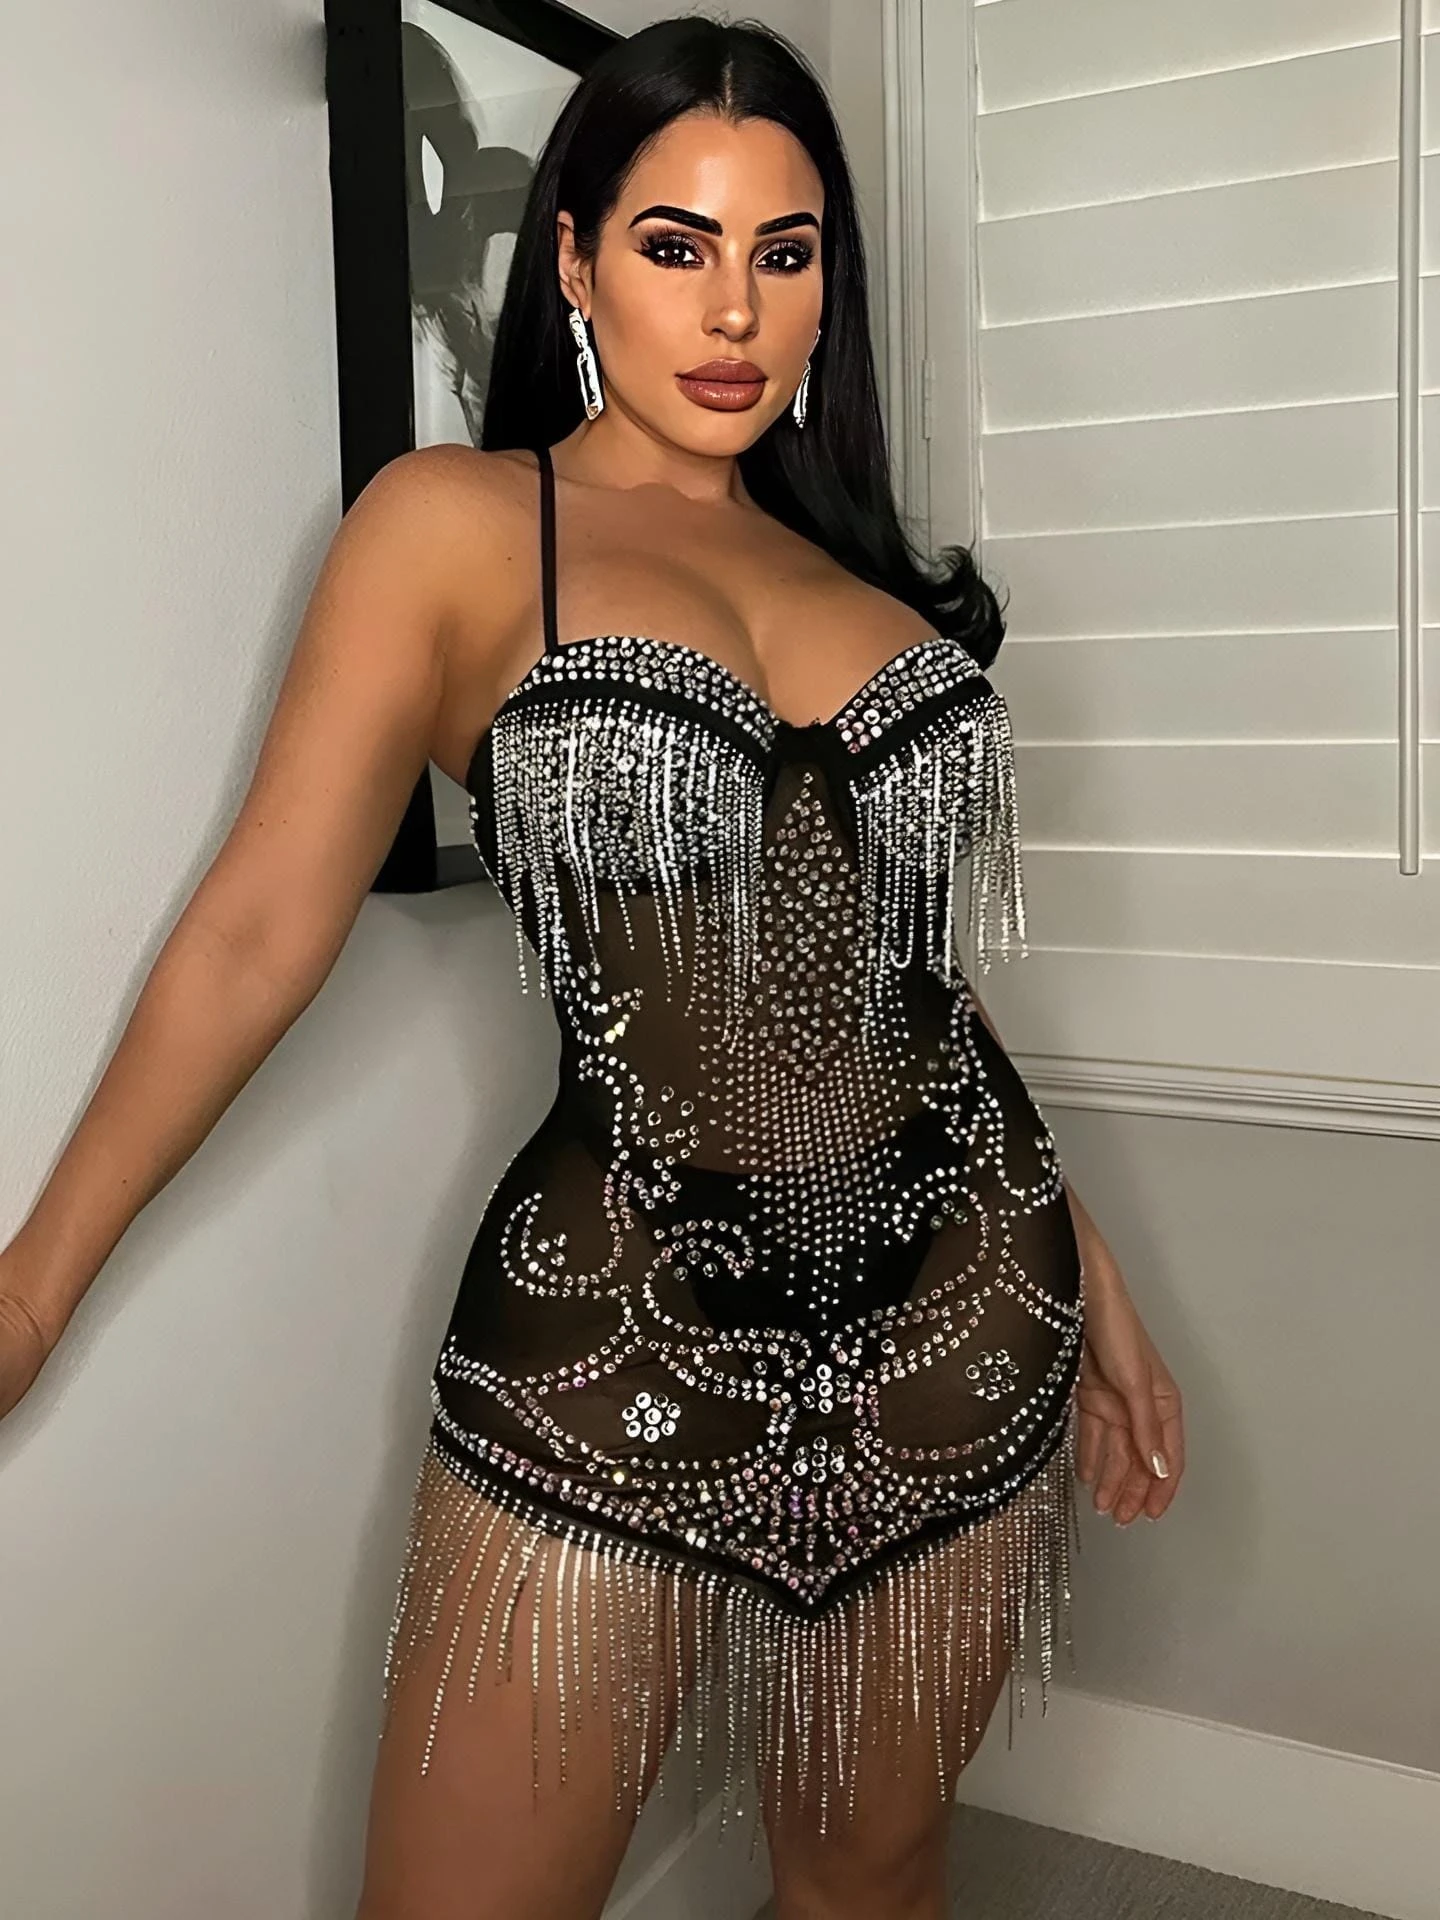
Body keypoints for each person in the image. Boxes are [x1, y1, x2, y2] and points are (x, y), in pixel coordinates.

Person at [0, 16, 1184, 1919]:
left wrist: (1103, 1287)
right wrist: (32, 1289)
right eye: (675, 244)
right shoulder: (455, 530)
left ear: (829, 291)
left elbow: (913, 1002)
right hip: (613, 1323)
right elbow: (255, 930)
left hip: (966, 1314)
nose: (733, 311)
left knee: (873, 1882)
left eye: (784, 254)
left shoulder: (876, 594)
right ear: (572, 260)